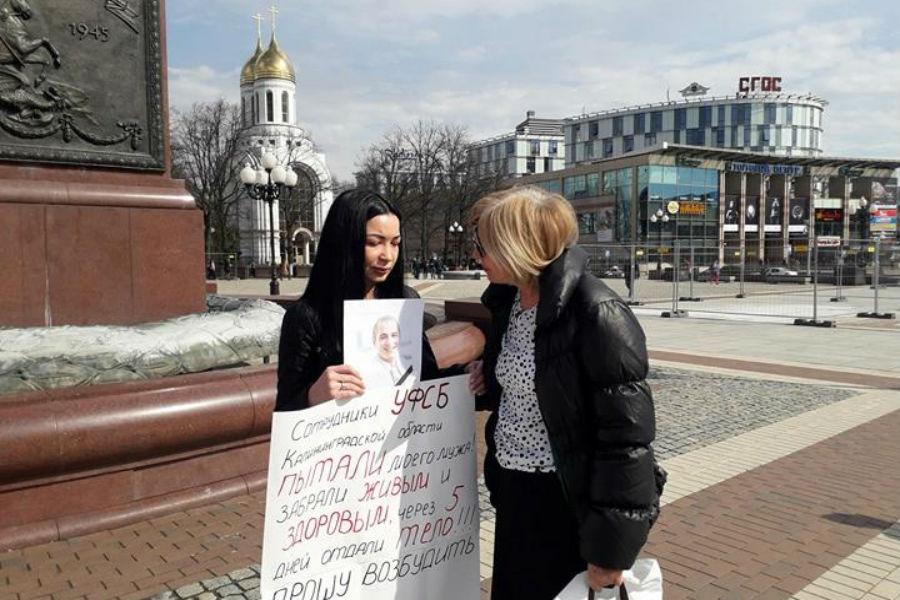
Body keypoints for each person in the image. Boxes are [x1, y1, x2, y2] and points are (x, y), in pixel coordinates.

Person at [466, 186, 663, 600]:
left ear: (514, 247)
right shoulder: (512, 305)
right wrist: (489, 382)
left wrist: (610, 551)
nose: (475, 256)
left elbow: (627, 440)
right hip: (518, 496)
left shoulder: (595, 311)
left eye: (483, 246)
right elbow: (535, 392)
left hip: (566, 506)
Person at [275, 189, 444, 410]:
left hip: (401, 436)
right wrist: (313, 395)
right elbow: (285, 407)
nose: (388, 256)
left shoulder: (405, 300)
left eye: (395, 243)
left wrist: (468, 374)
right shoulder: (305, 317)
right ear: (344, 243)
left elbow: (428, 376)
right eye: (374, 242)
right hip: (343, 439)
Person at [357, 315, 415, 387]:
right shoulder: (368, 373)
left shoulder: (410, 364)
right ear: (374, 341)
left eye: (394, 335)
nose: (390, 342)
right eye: (383, 337)